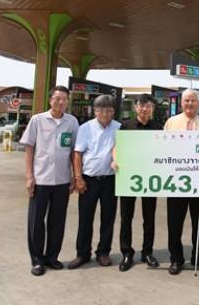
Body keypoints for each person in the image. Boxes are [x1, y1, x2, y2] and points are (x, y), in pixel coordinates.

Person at [21, 86, 79, 276]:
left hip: (62, 180)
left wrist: (75, 175)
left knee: (57, 221)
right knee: (36, 221)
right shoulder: (38, 120)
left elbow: (74, 151)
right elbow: (29, 148)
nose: (60, 102)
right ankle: (37, 260)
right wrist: (29, 176)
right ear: (50, 100)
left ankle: (52, 257)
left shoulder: (72, 122)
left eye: (64, 99)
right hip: (41, 180)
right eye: (57, 98)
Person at [68, 95, 121, 270]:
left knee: (108, 218)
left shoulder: (119, 128)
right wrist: (78, 178)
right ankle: (82, 254)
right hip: (89, 180)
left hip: (110, 180)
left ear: (113, 111)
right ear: (95, 111)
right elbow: (77, 154)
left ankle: (103, 252)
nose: (105, 114)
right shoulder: (85, 128)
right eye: (101, 110)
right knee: (85, 218)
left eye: (109, 110)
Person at [163, 89, 199, 274]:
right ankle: (176, 259)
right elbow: (162, 148)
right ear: (181, 103)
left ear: (198, 103)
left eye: (193, 100)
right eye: (186, 101)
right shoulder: (171, 122)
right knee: (174, 224)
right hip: (177, 182)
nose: (190, 104)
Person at [112, 93, 162, 271]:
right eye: (141, 105)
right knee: (126, 217)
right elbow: (117, 147)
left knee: (149, 217)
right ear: (135, 107)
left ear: (152, 108)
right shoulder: (126, 126)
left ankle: (147, 252)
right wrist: (115, 160)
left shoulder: (158, 127)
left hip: (149, 177)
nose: (144, 108)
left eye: (148, 105)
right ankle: (127, 253)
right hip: (128, 176)